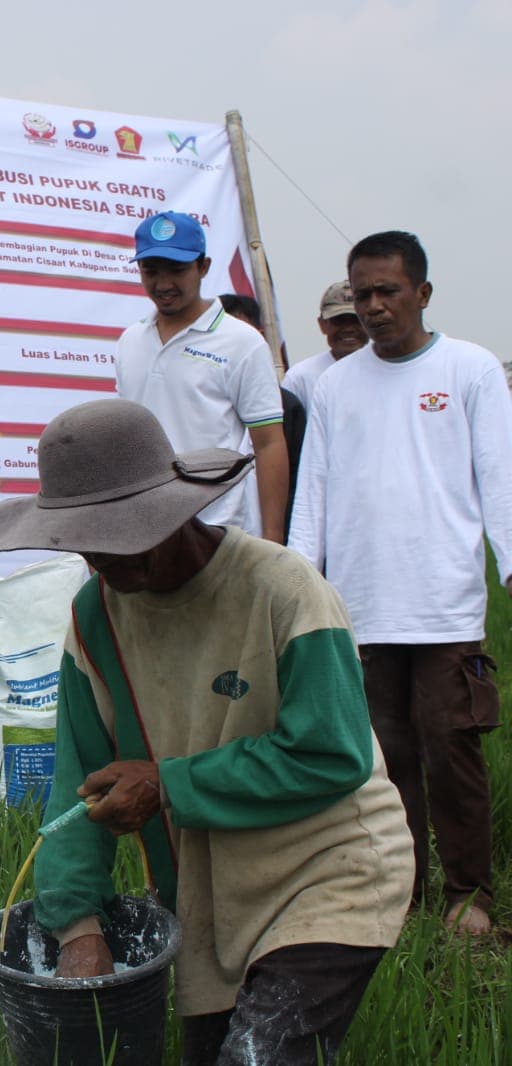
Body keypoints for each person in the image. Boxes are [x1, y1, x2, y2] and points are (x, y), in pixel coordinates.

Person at [0, 398, 412, 1066]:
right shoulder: (95, 618)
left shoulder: (282, 589)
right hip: (206, 892)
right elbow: (77, 787)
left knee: (259, 1055)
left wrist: (166, 784)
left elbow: (335, 753)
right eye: (87, 543)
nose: (105, 562)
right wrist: (77, 928)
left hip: (332, 869)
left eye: (122, 535)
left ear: (174, 511)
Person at [290, 230, 512, 937]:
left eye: (388, 291)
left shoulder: (469, 370)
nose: (376, 306)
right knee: (383, 761)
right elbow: (314, 492)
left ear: (422, 292)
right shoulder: (335, 384)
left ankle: (470, 894)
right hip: (360, 607)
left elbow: (499, 479)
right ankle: (405, 892)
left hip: (443, 606)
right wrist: (298, 581)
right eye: (363, 294)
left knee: (452, 750)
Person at [115, 211, 289, 542]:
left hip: (218, 532)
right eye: (151, 271)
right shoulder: (130, 341)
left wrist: (273, 540)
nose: (164, 284)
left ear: (203, 267)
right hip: (147, 534)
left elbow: (269, 443)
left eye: (177, 270)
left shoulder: (242, 341)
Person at [219, 293, 305, 538]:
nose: (235, 347)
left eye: (242, 336)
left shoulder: (287, 406)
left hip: (266, 542)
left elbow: (298, 484)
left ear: (260, 336)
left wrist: (277, 540)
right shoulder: (199, 399)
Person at [280, 280, 367, 408]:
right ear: (322, 324)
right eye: (339, 320)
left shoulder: (389, 370)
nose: (349, 328)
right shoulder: (299, 378)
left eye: (356, 319)